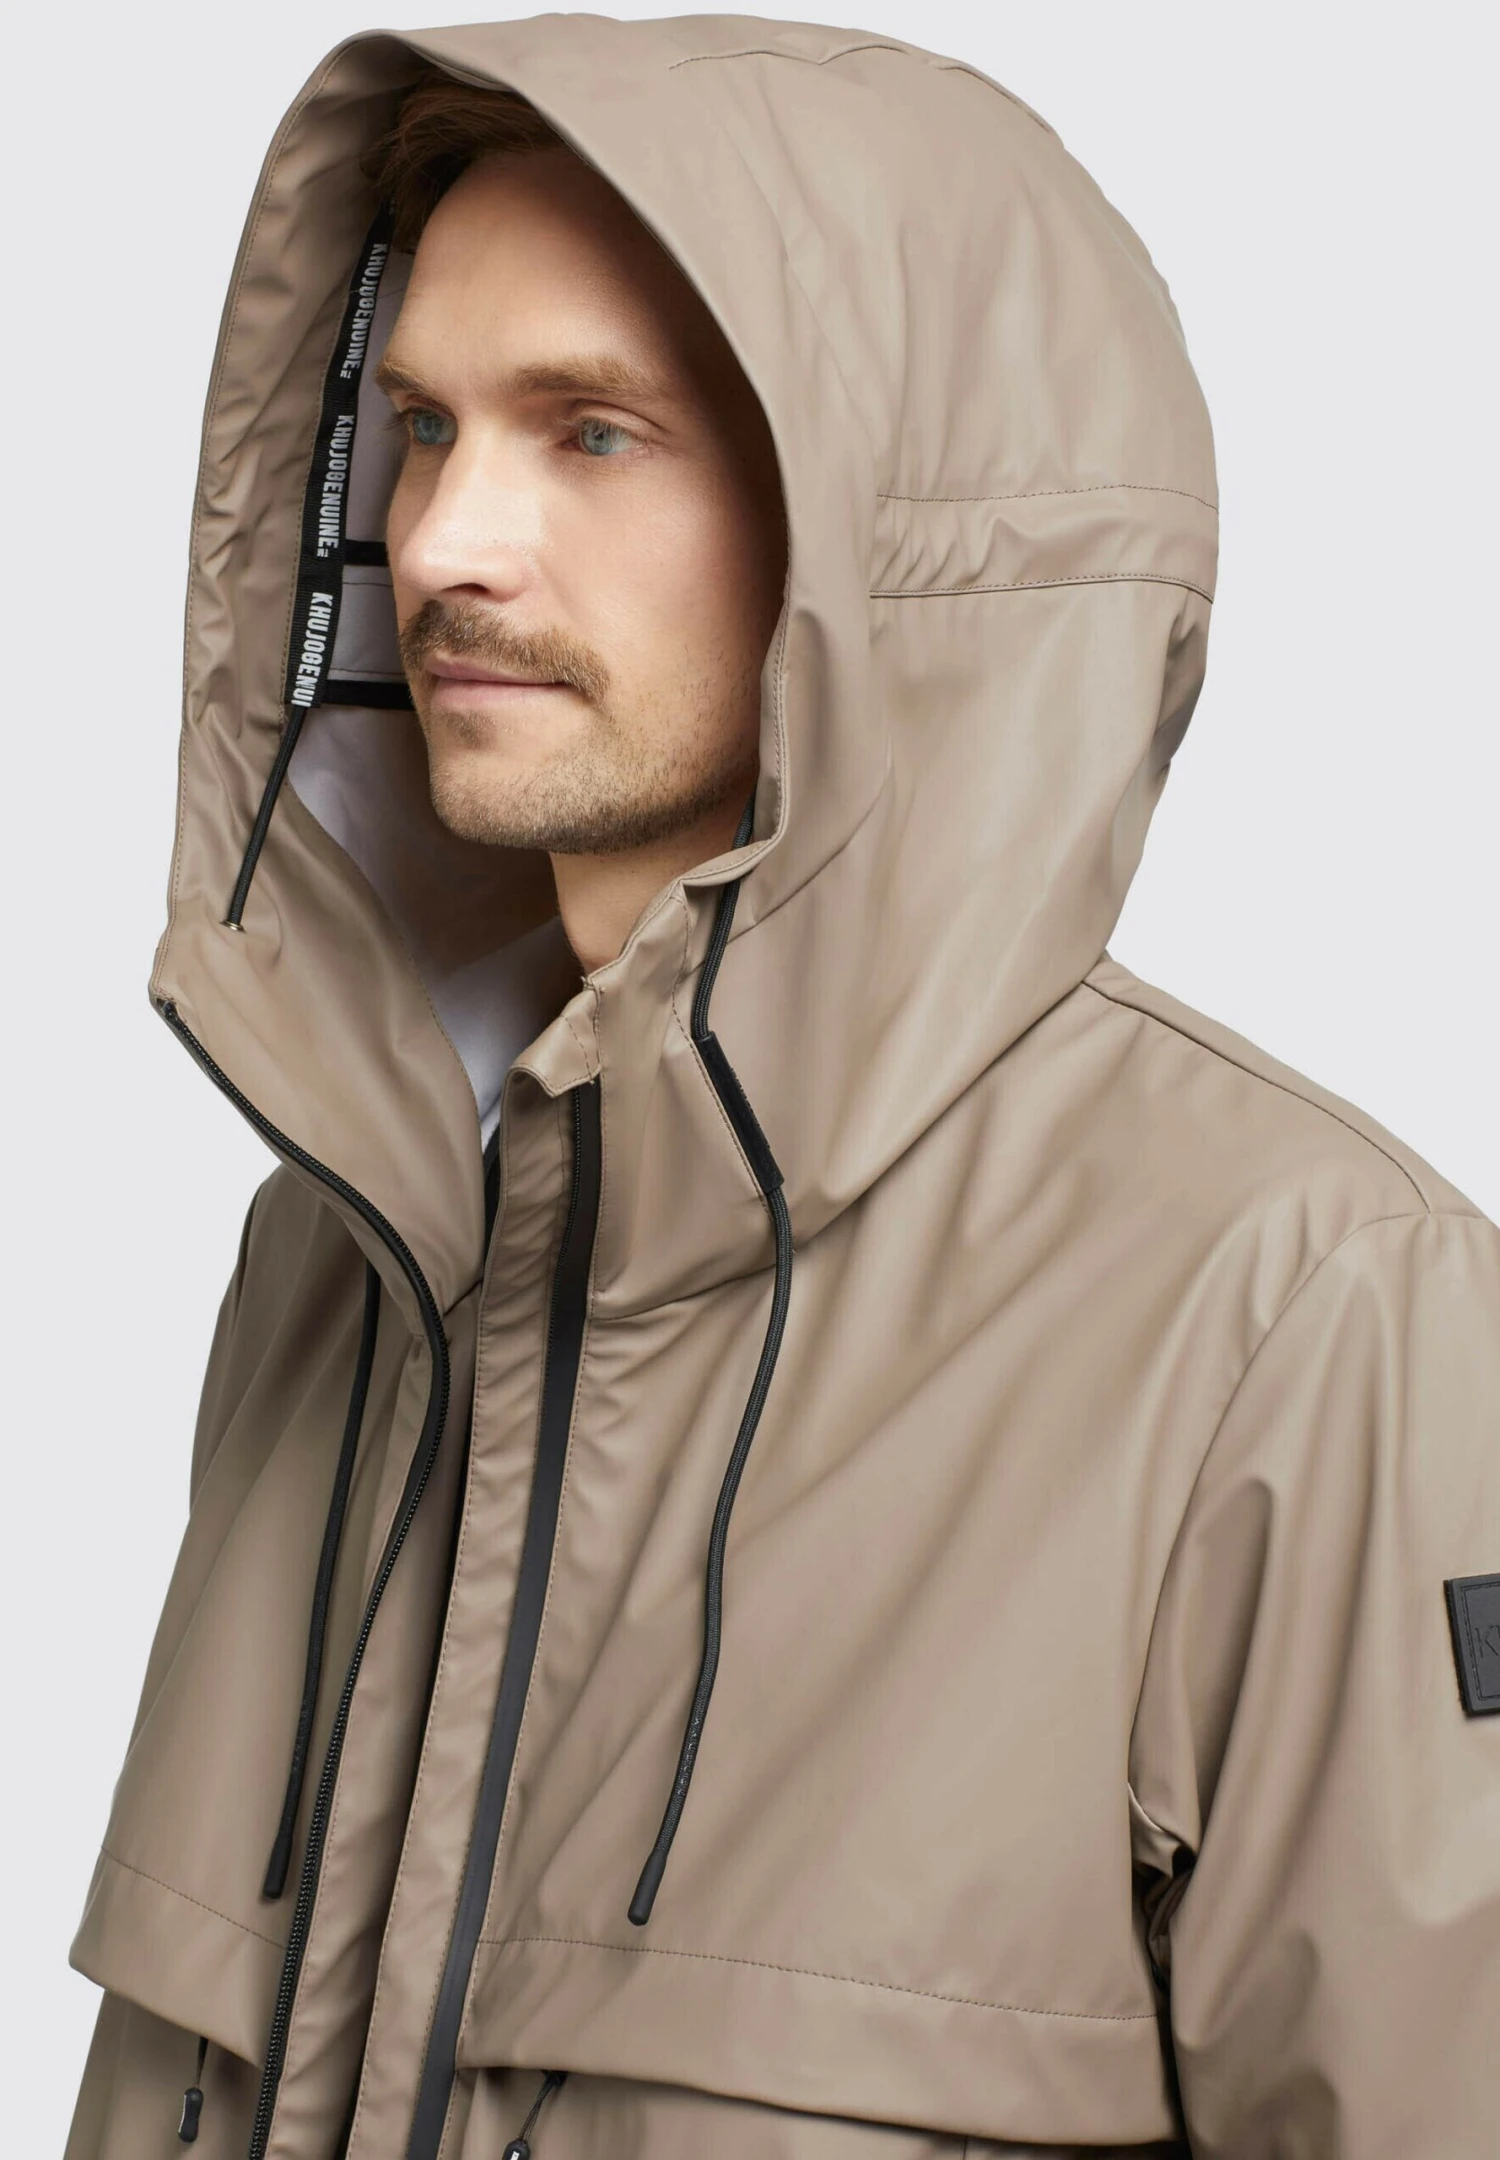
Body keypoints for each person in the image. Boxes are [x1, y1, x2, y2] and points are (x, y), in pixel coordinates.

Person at [65, 18, 1500, 2160]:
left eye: (595, 432)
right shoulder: (342, 1249)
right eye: (423, 426)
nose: (442, 541)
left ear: (896, 549)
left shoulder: (1308, 1320)